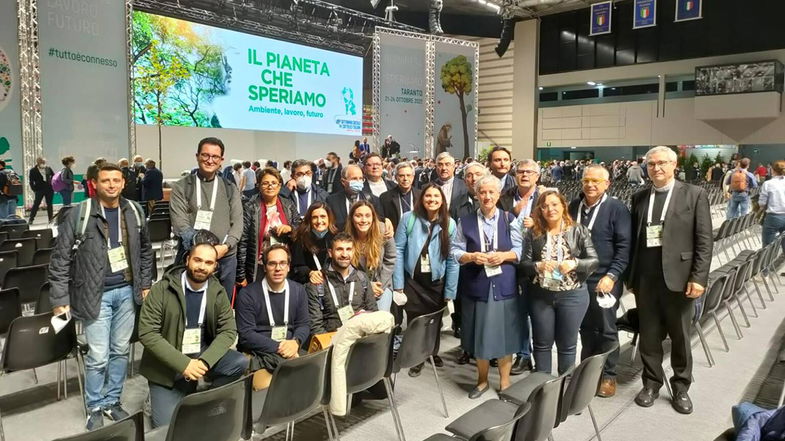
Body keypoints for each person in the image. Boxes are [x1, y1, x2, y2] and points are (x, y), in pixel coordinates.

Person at [49, 164, 153, 430]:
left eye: (116, 180)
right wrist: (60, 297)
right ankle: (95, 405)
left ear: (123, 183)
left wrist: (144, 283)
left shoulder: (134, 211)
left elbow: (145, 250)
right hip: (95, 294)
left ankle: (112, 401)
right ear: (95, 183)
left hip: (127, 293)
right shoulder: (79, 213)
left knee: (120, 351)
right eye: (105, 180)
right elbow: (60, 259)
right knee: (98, 356)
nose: (111, 185)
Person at [627, 146, 712, 415]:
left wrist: (698, 277)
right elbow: (635, 240)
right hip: (646, 278)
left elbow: (704, 240)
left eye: (662, 163)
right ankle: (651, 383)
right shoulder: (640, 197)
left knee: (680, 337)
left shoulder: (694, 194)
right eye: (651, 164)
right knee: (649, 336)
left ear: (674, 165)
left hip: (680, 278)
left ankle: (681, 386)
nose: (656, 168)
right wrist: (632, 276)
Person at [138, 234, 248, 428]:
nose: (201, 266)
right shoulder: (162, 289)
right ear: (187, 259)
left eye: (208, 262)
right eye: (197, 260)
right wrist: (184, 364)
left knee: (238, 362)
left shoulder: (217, 291)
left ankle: (203, 399)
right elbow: (147, 333)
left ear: (214, 267)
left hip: (199, 354)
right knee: (167, 430)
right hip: (167, 367)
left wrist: (205, 361)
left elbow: (228, 331)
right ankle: (155, 399)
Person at [452, 175, 524, 398]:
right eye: (482, 192)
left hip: (504, 285)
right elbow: (455, 251)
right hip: (476, 285)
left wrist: (504, 255)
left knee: (506, 335)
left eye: (492, 192)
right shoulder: (466, 221)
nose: (487, 196)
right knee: (479, 334)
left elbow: (521, 251)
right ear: (476, 195)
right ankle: (482, 381)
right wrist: (470, 256)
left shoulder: (509, 219)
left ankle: (505, 382)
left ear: (499, 194)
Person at [568, 164, 631, 397]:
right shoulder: (574, 206)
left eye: (596, 181)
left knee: (605, 328)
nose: (590, 185)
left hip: (604, 278)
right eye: (586, 181)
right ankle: (586, 371)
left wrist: (612, 276)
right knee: (584, 326)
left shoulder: (617, 209)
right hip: (576, 277)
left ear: (607, 184)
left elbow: (624, 248)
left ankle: (608, 375)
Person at [521, 190, 598, 377]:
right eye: (545, 206)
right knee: (541, 343)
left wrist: (575, 263)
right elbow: (523, 265)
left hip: (572, 296)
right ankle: (542, 388)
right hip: (541, 295)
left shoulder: (578, 230)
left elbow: (594, 261)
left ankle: (565, 388)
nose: (550, 209)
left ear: (563, 206)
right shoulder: (534, 233)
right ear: (540, 210)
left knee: (567, 345)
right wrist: (538, 266)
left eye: (554, 204)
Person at [394, 184, 458, 376]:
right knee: (415, 320)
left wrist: (450, 291)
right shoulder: (409, 219)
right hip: (413, 280)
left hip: (437, 281)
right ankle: (417, 358)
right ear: (421, 199)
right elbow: (398, 250)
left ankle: (432, 351)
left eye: (436, 196)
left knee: (435, 320)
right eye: (428, 196)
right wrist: (398, 285)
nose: (432, 200)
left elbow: (453, 260)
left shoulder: (450, 223)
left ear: (442, 200)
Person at [170, 137, 244, 300]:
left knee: (221, 308)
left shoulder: (229, 188)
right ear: (197, 156)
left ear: (221, 160)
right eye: (205, 155)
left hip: (225, 258)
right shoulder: (182, 187)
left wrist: (225, 246)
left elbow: (238, 223)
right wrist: (204, 252)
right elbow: (180, 224)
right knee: (189, 307)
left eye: (215, 157)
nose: (210, 160)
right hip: (193, 258)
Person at [236, 244, 310, 390]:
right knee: (273, 385)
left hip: (290, 348)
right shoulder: (247, 294)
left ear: (289, 266)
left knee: (310, 377)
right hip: (259, 350)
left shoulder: (299, 290)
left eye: (283, 263)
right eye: (272, 263)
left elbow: (304, 324)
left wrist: (296, 342)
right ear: (264, 267)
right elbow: (246, 335)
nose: (278, 268)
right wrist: (280, 348)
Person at [498, 159, 540, 375]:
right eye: (521, 171)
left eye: (529, 172)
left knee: (537, 311)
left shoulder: (545, 198)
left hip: (537, 262)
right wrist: (514, 213)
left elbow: (561, 225)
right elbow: (493, 224)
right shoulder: (504, 197)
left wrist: (537, 224)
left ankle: (536, 355)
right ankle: (523, 354)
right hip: (509, 261)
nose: (524, 175)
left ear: (537, 176)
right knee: (517, 311)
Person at [237, 167, 300, 285]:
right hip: (259, 265)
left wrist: (291, 229)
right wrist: (241, 274)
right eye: (265, 183)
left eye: (274, 183)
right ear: (259, 186)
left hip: (283, 264)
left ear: (280, 185)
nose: (270, 186)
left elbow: (300, 229)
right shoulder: (250, 207)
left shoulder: (288, 205)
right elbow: (243, 241)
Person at [308, 232, 378, 334]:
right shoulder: (318, 283)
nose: (344, 254)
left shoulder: (362, 278)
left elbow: (373, 313)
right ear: (330, 253)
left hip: (360, 341)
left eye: (348, 249)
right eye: (339, 249)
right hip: (331, 342)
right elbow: (315, 326)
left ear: (353, 251)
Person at [345, 200, 396, 311]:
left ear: (373, 217)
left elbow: (390, 259)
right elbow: (347, 268)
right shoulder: (346, 237)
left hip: (381, 284)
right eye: (358, 216)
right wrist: (367, 285)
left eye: (367, 216)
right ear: (352, 218)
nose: (363, 220)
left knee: (380, 320)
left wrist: (379, 285)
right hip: (356, 285)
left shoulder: (383, 230)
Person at [290, 202, 337, 286]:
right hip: (309, 286)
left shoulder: (336, 237)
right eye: (315, 217)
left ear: (329, 218)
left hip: (333, 285)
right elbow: (296, 267)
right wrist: (310, 273)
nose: (319, 221)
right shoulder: (301, 239)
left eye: (323, 217)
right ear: (309, 220)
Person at [326, 164, 382, 230]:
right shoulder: (332, 201)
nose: (358, 181)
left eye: (361, 178)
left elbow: (379, 223)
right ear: (343, 182)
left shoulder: (372, 200)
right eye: (354, 179)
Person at [380, 162, 421, 230]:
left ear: (413, 177)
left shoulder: (421, 195)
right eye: (401, 175)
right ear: (396, 178)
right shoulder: (385, 197)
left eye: (408, 175)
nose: (405, 178)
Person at [758, 160, 785, 250]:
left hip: (773, 216)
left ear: (773, 170)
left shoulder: (768, 184)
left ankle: (766, 262)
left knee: (767, 244)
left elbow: (762, 203)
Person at [433, 152, 469, 219]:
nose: (444, 168)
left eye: (447, 164)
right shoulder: (428, 187)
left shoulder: (464, 186)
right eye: (440, 165)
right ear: (436, 167)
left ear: (454, 166)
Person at [28, 156, 54, 223]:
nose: (43, 163)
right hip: (39, 189)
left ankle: (50, 219)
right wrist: (34, 189)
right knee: (36, 204)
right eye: (42, 162)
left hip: (49, 189)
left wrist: (53, 185)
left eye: (44, 162)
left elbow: (54, 177)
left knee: (49, 204)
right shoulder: (33, 170)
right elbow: (31, 181)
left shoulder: (48, 168)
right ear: (38, 162)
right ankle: (31, 219)